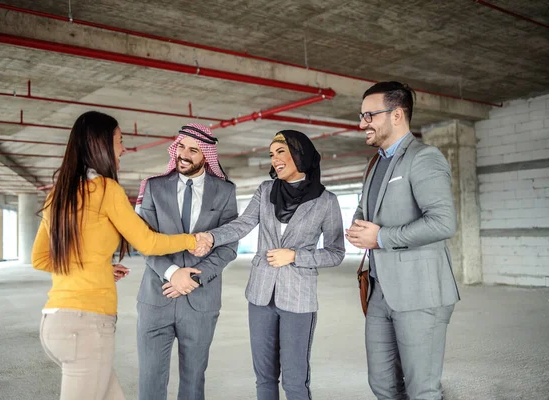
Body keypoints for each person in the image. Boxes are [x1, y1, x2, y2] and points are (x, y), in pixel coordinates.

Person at [31, 111, 210, 400]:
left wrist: (98, 269)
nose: (123, 148)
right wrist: (192, 239)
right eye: (120, 140)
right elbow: (148, 242)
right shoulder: (105, 189)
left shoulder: (59, 193)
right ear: (101, 144)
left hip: (55, 323)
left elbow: (40, 258)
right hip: (86, 326)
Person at [199, 130, 345, 400]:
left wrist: (295, 256)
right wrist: (211, 237)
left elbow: (336, 252)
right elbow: (243, 225)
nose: (274, 159)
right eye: (271, 154)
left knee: (294, 380)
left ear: (300, 155)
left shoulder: (327, 202)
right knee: (264, 377)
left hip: (298, 300)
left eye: (281, 152)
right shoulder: (266, 191)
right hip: (260, 296)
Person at [346, 81, 460, 400]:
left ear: (397, 114)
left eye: (369, 115)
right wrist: (358, 226)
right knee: (382, 384)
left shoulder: (424, 157)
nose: (361, 123)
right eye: (361, 115)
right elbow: (366, 208)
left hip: (421, 292)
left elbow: (442, 222)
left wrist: (380, 236)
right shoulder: (375, 163)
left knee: (421, 389)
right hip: (381, 292)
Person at [134, 123, 238, 400]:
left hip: (201, 300)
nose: (184, 154)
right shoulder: (154, 187)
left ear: (206, 155)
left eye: (194, 150)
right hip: (156, 298)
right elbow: (143, 240)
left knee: (193, 382)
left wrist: (192, 277)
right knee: (150, 381)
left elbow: (228, 247)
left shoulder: (225, 191)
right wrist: (171, 273)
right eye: (181, 146)